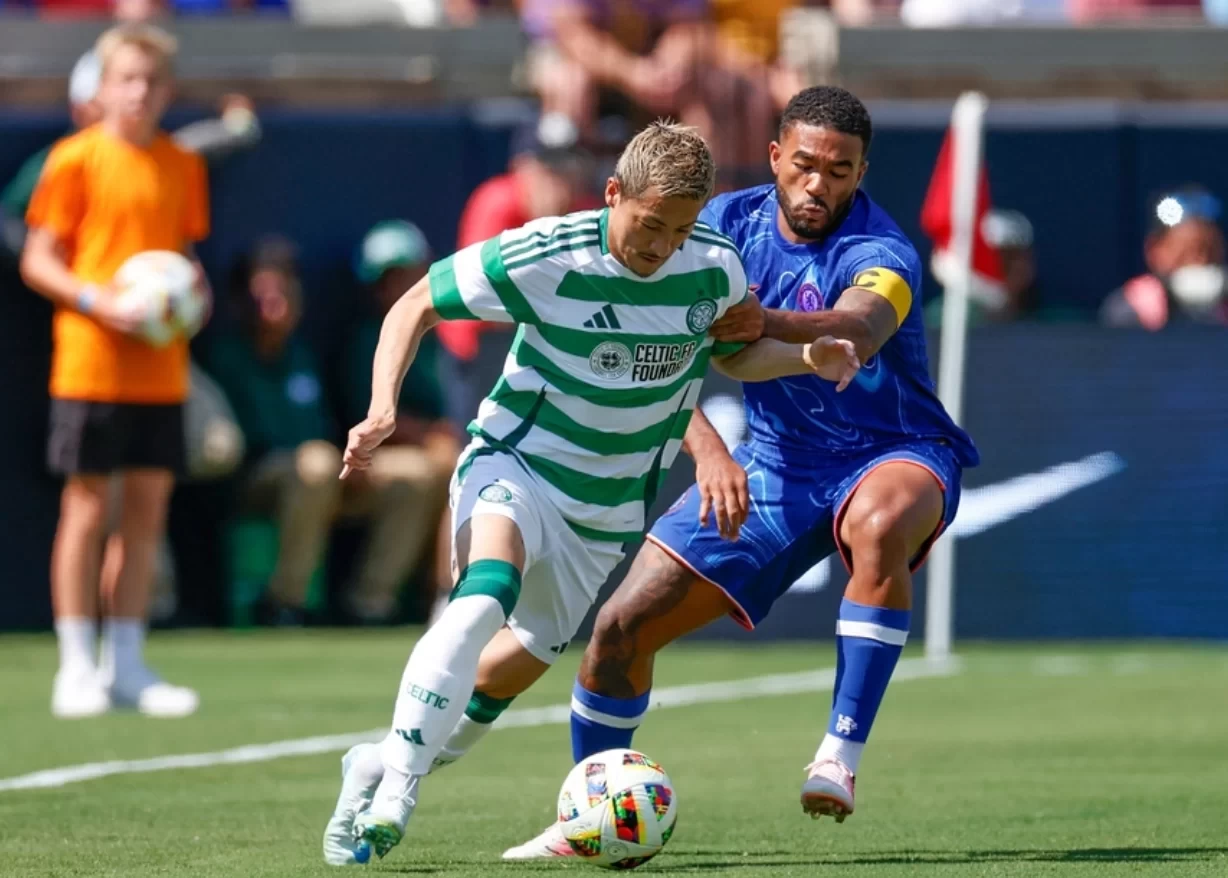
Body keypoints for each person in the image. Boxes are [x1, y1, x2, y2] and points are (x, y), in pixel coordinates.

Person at [320, 120, 861, 866]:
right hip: (516, 462)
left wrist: (805, 354)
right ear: (613, 194)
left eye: (677, 230)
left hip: (605, 511)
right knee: (482, 595)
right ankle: (398, 792)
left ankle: (377, 762)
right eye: (646, 224)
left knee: (503, 676)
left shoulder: (713, 267)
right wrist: (383, 406)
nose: (657, 245)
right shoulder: (545, 253)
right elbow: (414, 304)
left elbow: (735, 356)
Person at [504, 86, 981, 859]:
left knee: (881, 520)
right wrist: (708, 448)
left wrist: (765, 320)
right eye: (804, 165)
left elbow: (862, 322)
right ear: (774, 158)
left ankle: (838, 757)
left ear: (861, 174)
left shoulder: (883, 250)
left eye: (839, 170)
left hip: (892, 450)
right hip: (770, 465)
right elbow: (646, 344)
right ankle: (590, 817)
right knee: (619, 632)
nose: (819, 184)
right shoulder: (721, 223)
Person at [20, 22, 209, 719]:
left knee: (147, 512)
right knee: (86, 509)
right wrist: (99, 299)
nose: (140, 92)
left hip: (162, 370)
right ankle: (76, 665)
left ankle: (126, 663)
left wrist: (195, 291)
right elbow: (38, 259)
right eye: (126, 79)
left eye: (153, 81)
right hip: (91, 365)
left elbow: (179, 256)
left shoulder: (181, 164)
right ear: (101, 88)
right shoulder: (72, 159)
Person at [343, 220, 458, 622]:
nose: (400, 286)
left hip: (440, 448)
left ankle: (456, 593)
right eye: (389, 278)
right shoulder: (364, 341)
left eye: (408, 273)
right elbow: (366, 417)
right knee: (438, 469)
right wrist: (432, 436)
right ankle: (393, 599)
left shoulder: (442, 338)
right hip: (373, 459)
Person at [1100, 188, 1227, 330]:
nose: (1199, 260)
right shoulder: (1129, 308)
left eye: (1209, 250)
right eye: (1183, 252)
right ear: (1153, 250)